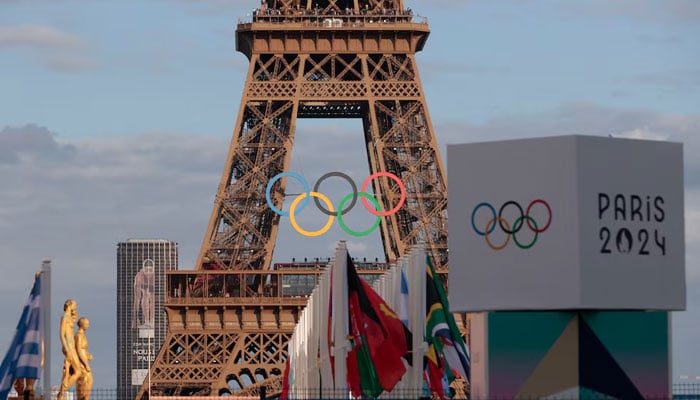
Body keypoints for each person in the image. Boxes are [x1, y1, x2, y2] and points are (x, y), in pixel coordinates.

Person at [57, 299, 82, 400]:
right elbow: (62, 334)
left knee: (74, 371)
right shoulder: (64, 317)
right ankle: (61, 393)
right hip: (68, 346)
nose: (75, 307)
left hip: (71, 346)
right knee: (77, 371)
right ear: (69, 305)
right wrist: (66, 348)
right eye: (74, 305)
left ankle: (62, 392)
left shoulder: (69, 318)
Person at [75, 318, 93, 400]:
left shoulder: (83, 335)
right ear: (82, 325)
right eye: (87, 324)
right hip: (81, 363)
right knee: (84, 382)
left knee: (89, 381)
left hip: (84, 361)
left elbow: (83, 350)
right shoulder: (78, 335)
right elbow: (78, 350)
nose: (88, 325)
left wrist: (88, 355)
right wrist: (86, 364)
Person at [133, 263, 155, 329]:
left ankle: (151, 320)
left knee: (152, 299)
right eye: (146, 270)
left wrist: (152, 319)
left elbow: (152, 300)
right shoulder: (139, 276)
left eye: (150, 270)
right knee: (143, 297)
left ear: (153, 270)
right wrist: (135, 318)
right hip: (142, 283)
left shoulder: (154, 277)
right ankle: (146, 320)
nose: (148, 273)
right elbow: (137, 298)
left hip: (151, 283)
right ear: (143, 270)